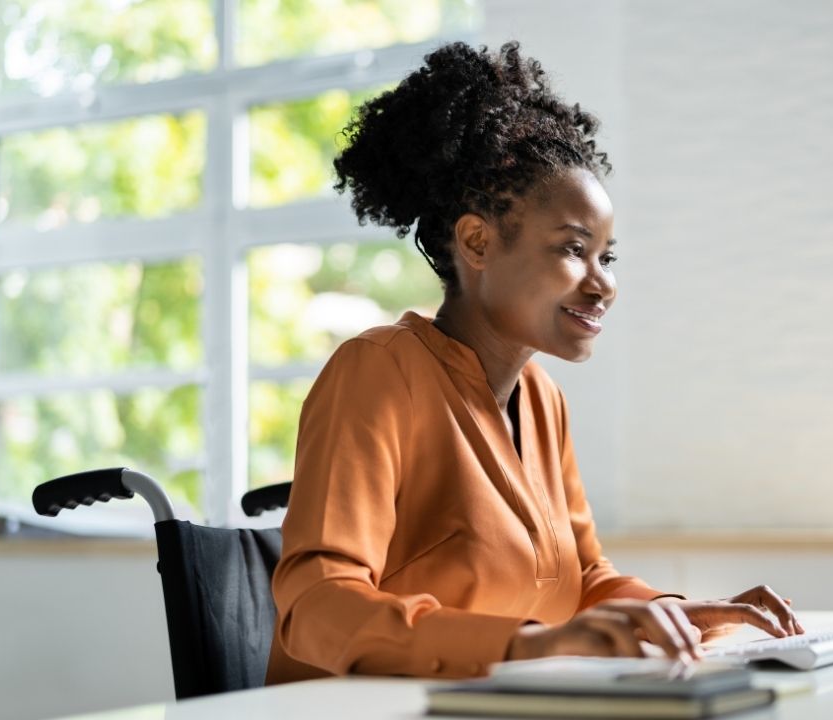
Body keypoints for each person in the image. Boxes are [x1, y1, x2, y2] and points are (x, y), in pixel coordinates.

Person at [266, 41, 802, 684]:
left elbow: (583, 580)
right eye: (574, 249)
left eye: (608, 256)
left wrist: (679, 614)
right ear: (477, 241)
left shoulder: (542, 400)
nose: (602, 283)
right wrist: (527, 645)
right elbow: (317, 605)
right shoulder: (377, 373)